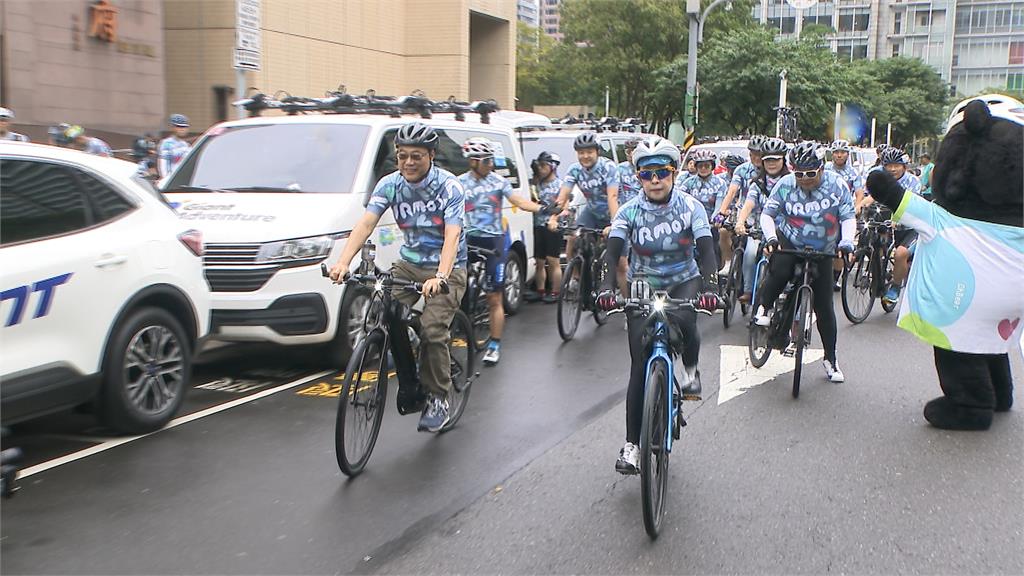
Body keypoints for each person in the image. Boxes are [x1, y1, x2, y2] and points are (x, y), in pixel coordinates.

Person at [328, 122, 467, 433]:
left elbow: (452, 234)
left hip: (449, 267)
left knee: (433, 331)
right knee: (384, 308)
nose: (408, 162)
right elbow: (365, 224)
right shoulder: (389, 184)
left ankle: (438, 397)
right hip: (409, 264)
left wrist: (441, 276)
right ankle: (407, 356)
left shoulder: (449, 187)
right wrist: (342, 262)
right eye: (402, 156)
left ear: (432, 155)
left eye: (416, 156)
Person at [594, 136, 720, 475]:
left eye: (662, 173)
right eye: (646, 174)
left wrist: (710, 287)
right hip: (643, 283)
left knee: (689, 321)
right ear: (637, 177)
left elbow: (707, 250)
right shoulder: (629, 211)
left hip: (684, 279)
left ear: (675, 172)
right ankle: (632, 445)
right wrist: (607, 286)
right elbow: (613, 251)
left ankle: (691, 371)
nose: (654, 180)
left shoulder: (691, 207)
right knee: (639, 364)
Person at [754, 141, 856, 383]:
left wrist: (847, 243)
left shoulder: (837, 185)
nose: (805, 179)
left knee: (824, 306)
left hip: (823, 248)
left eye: (811, 173)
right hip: (790, 240)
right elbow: (767, 215)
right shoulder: (785, 185)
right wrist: (770, 237)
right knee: (780, 269)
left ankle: (830, 359)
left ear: (822, 169)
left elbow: (848, 217)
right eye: (799, 174)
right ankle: (764, 307)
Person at [458, 137, 545, 366]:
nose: (491, 164)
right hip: (466, 239)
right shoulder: (458, 183)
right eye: (486, 160)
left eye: (492, 160)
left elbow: (519, 201)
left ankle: (494, 344)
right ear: (473, 161)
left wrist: (543, 208)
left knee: (494, 297)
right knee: (454, 289)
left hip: (493, 242)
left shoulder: (498, 181)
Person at [734, 137, 790, 303]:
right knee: (750, 254)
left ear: (783, 160)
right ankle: (749, 291)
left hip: (784, 232)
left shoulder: (792, 182)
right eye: (768, 160)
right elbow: (748, 204)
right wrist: (740, 222)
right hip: (759, 230)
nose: (771, 164)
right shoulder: (757, 183)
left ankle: (786, 291)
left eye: (775, 159)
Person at [554, 132, 620, 265]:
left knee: (621, 264)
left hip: (613, 212)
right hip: (592, 212)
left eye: (589, 152)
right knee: (573, 236)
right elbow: (563, 195)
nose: (585, 156)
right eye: (581, 153)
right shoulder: (574, 170)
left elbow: (612, 196)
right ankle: (574, 278)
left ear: (597, 152)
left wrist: (614, 223)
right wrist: (553, 218)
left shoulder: (608, 167)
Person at [872, 147, 923, 306]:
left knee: (900, 254)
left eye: (897, 165)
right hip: (887, 225)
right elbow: (870, 196)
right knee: (874, 242)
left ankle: (895, 287)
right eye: (888, 165)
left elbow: (912, 205)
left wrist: (899, 218)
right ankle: (878, 276)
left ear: (904, 167)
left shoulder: (913, 182)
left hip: (911, 229)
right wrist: (859, 207)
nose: (892, 169)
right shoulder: (879, 178)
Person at [717, 136, 766, 269]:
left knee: (753, 252)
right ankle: (728, 262)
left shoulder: (770, 170)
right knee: (723, 231)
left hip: (762, 215)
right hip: (743, 213)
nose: (756, 158)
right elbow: (732, 191)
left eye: (759, 155)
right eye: (753, 154)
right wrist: (721, 213)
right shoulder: (741, 170)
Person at [676, 148, 729, 269]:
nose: (703, 168)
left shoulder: (720, 183)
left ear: (712, 166)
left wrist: (716, 219)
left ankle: (714, 273)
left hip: (711, 223)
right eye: (700, 166)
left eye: (707, 165)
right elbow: (679, 201)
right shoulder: (688, 183)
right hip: (690, 222)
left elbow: (719, 205)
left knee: (712, 247)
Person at [826, 139, 867, 290]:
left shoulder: (853, 172)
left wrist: (857, 205)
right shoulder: (825, 168)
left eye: (842, 152)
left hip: (843, 212)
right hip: (825, 210)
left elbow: (859, 192)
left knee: (839, 246)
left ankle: (834, 278)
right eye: (836, 152)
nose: (839, 155)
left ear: (847, 154)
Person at [528, 151, 564, 304]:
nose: (541, 169)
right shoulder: (537, 184)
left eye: (544, 166)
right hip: (538, 225)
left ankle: (556, 291)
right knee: (539, 260)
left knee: (553, 260)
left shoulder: (560, 185)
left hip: (553, 226)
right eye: (539, 166)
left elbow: (563, 206)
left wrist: (554, 218)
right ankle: (540, 290)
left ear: (552, 167)